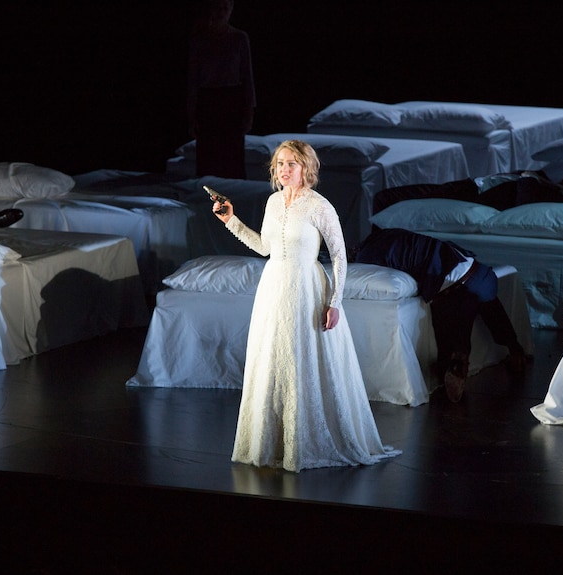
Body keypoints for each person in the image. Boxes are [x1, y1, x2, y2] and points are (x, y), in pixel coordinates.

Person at [212, 139, 400, 472]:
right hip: (274, 286)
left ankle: (305, 444)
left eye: (292, 164)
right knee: (273, 359)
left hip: (306, 286)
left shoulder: (319, 206)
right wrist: (231, 221)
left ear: (306, 168)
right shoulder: (272, 202)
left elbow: (340, 256)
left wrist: (335, 301)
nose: (285, 170)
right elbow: (264, 247)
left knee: (303, 361)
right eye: (280, 164)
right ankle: (272, 443)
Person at [353, 227, 527, 403]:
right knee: (477, 305)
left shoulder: (367, 255)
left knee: (450, 315)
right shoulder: (389, 234)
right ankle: (513, 348)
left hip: (455, 285)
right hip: (478, 274)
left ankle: (457, 358)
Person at [187, 0, 256, 178]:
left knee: (232, 157)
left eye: (225, 8)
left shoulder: (239, 38)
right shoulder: (200, 39)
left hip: (231, 99)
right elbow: (193, 79)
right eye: (218, 8)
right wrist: (191, 113)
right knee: (208, 156)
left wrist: (249, 111)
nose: (221, 12)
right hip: (208, 99)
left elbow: (247, 76)